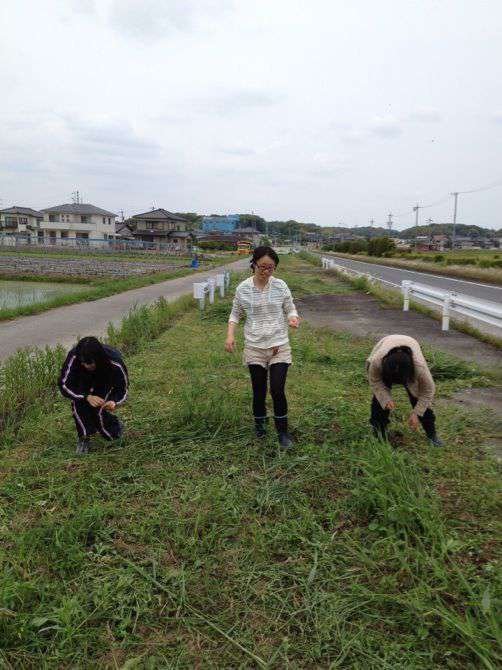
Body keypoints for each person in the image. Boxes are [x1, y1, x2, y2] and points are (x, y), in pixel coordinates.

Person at [225, 246, 300, 448]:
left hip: (279, 345)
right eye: (263, 267)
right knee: (258, 390)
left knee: (277, 389)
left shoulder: (280, 286)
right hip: (254, 347)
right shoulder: (243, 288)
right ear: (254, 264)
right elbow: (235, 315)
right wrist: (230, 336)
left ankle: (283, 432)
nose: (266, 272)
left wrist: (293, 318)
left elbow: (290, 307)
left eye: (271, 268)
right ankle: (260, 426)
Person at [366, 334, 443, 447]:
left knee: (417, 397)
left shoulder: (419, 368)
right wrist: (385, 398)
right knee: (379, 400)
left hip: (411, 346)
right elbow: (375, 381)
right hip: (386, 343)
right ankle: (379, 432)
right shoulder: (377, 362)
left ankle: (432, 435)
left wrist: (417, 413)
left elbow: (428, 391)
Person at [58, 336, 129, 454]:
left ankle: (114, 429)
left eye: (89, 363)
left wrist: (114, 401)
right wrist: (87, 396)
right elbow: (64, 385)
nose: (86, 365)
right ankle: (84, 437)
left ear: (98, 358)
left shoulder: (115, 362)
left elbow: (122, 388)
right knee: (78, 404)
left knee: (98, 408)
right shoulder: (75, 357)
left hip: (104, 378)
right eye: (83, 362)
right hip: (82, 379)